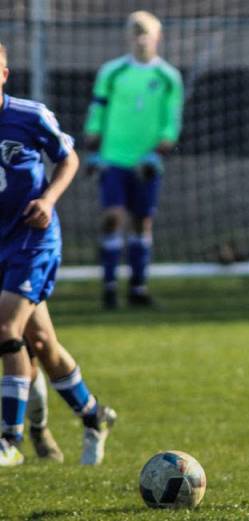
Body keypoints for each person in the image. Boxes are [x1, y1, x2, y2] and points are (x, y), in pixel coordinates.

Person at [0, 42, 117, 466]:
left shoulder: (29, 116)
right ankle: (93, 416)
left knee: (5, 326)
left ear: (4, 74)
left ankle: (8, 442)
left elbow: (67, 160)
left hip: (33, 240)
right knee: (43, 343)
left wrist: (47, 201)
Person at [83, 10, 184, 309]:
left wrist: (157, 153)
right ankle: (109, 286)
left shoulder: (168, 77)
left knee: (142, 222)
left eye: (146, 34)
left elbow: (171, 121)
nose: (141, 39)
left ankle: (138, 287)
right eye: (136, 33)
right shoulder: (111, 72)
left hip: (147, 162)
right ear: (128, 37)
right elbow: (97, 112)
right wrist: (93, 150)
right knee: (113, 217)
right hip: (113, 159)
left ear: (158, 38)